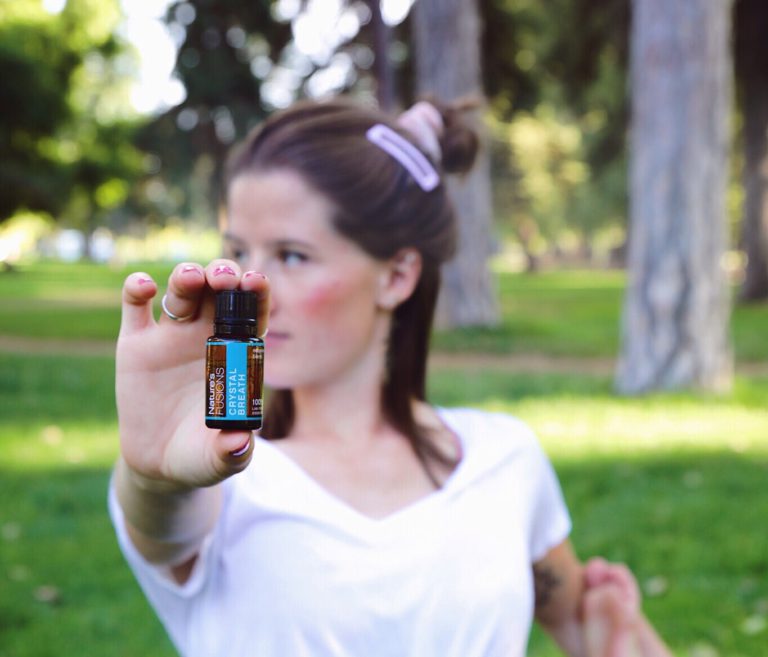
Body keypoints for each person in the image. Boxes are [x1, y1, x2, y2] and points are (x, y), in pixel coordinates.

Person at [110, 97, 672, 657]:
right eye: (237, 251)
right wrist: (155, 478)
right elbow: (163, 520)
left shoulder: (504, 460)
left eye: (293, 256)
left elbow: (592, 632)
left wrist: (612, 635)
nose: (251, 287)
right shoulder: (217, 471)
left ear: (398, 275)